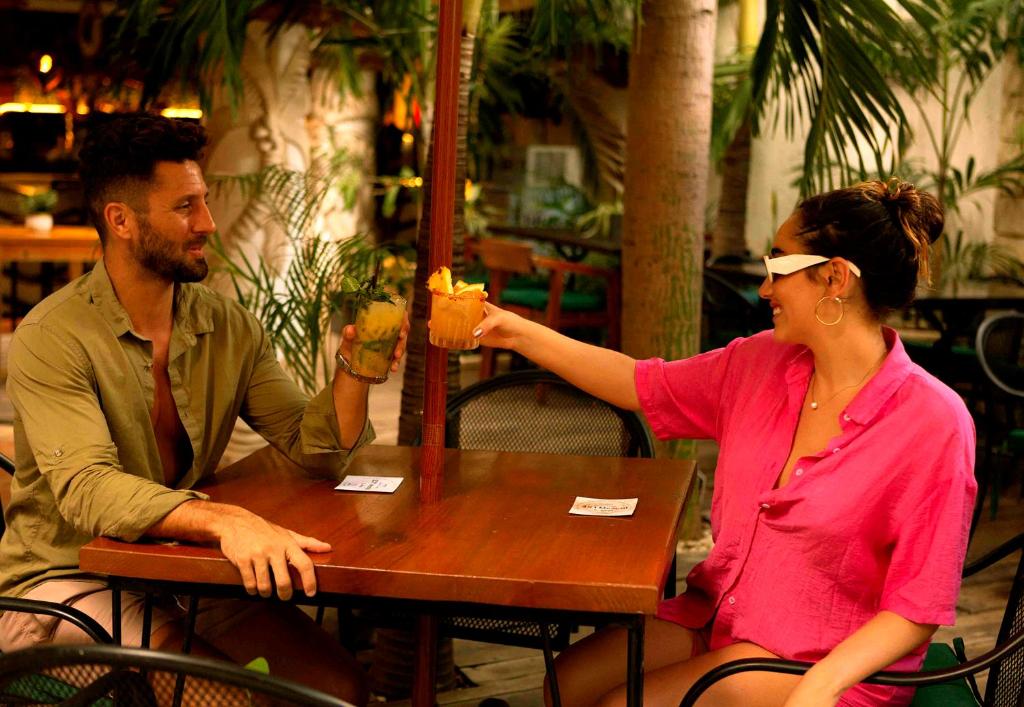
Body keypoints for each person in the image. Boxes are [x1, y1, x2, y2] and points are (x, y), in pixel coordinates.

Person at [474, 179, 976, 707]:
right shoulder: (757, 363)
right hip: (721, 617)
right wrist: (517, 331)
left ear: (834, 278)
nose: (764, 289)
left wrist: (821, 684)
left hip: (824, 661)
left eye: (778, 266)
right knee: (566, 684)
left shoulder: (933, 422)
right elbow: (638, 383)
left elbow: (919, 606)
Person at [0, 113, 405, 705]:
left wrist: (355, 369)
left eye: (205, 202)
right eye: (186, 207)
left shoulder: (226, 325)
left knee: (339, 689)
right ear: (121, 221)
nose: (208, 223)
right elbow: (88, 489)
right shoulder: (53, 336)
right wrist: (224, 520)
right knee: (229, 701)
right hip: (65, 583)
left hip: (175, 570)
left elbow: (314, 446)